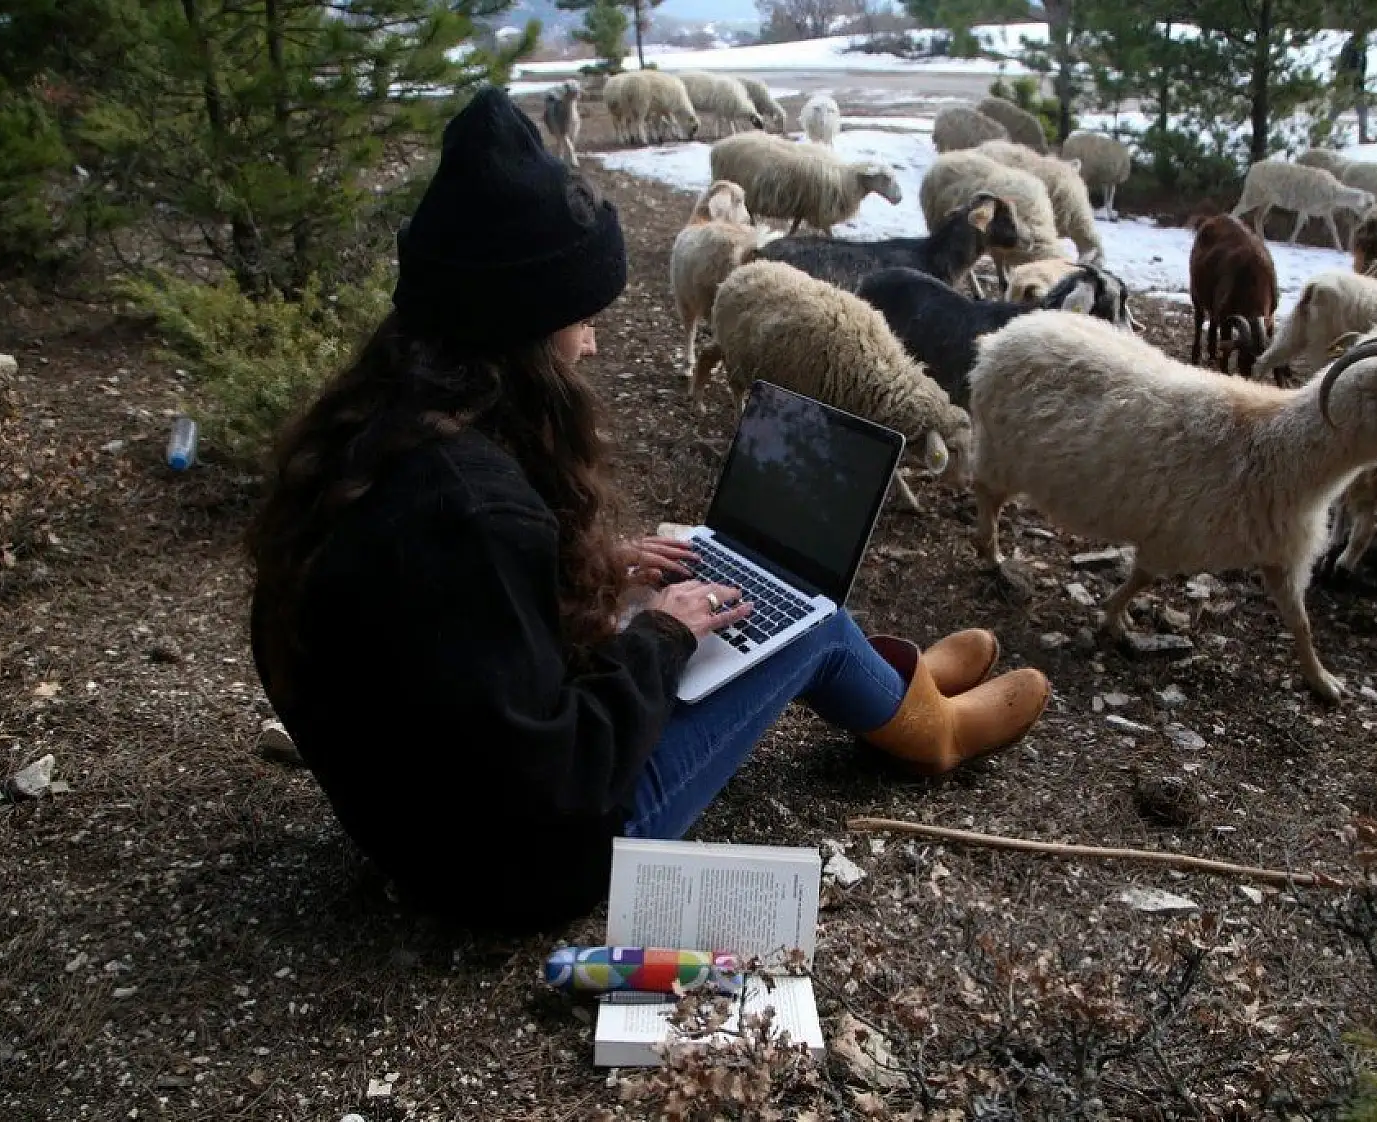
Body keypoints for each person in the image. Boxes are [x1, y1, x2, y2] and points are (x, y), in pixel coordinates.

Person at [246, 87, 1052, 933]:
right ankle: (932, 732)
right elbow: (559, 774)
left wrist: (579, 567)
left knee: (767, 603)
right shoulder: (471, 513)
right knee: (807, 619)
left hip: (417, 817)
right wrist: (662, 637)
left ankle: (894, 686)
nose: (591, 343)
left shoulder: (375, 437)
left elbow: (461, 649)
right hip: (519, 864)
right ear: (518, 326)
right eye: (579, 320)